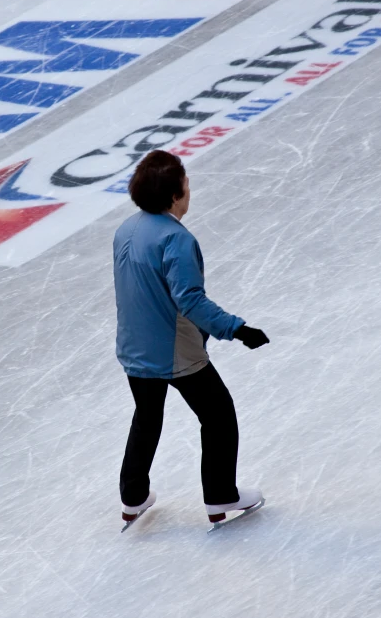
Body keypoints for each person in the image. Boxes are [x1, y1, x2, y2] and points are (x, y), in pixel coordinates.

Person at [113, 149, 270, 527]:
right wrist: (237, 329)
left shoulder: (125, 230)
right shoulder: (175, 239)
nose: (189, 188)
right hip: (172, 349)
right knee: (218, 415)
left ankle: (133, 497)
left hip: (133, 345)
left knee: (147, 417)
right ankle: (220, 496)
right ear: (173, 196)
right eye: (185, 184)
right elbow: (190, 299)